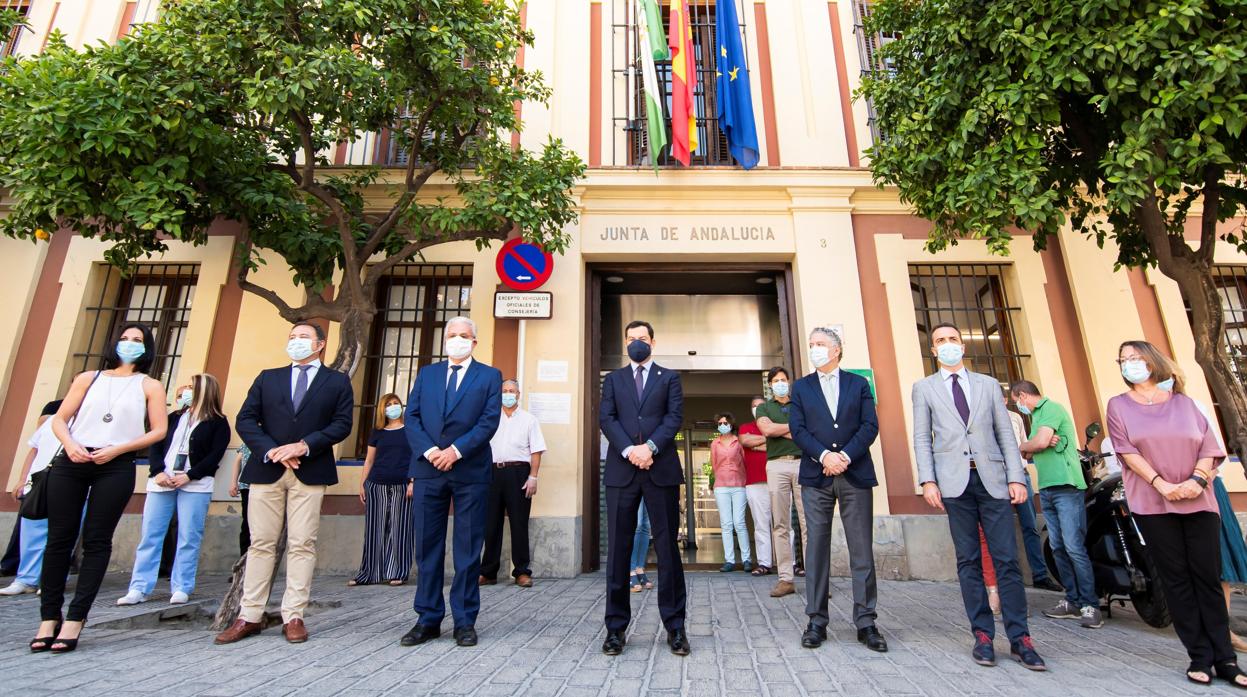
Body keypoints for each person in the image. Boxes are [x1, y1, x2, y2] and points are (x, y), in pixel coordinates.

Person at [1106, 340, 1246, 688]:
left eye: (1135, 358)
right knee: (1176, 580)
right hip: (1153, 503)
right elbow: (1125, 451)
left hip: (1198, 499)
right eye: (1123, 360)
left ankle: (1226, 659)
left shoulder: (1184, 404)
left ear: (1152, 362)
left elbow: (1209, 448)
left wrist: (1197, 481)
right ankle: (1198, 655)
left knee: (1208, 577)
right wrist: (1161, 485)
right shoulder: (1118, 406)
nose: (1129, 365)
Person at [911, 322, 1045, 670]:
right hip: (954, 484)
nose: (948, 344)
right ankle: (982, 635)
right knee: (968, 561)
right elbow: (923, 438)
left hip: (993, 480)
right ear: (934, 350)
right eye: (940, 341)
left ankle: (1021, 638)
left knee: (1007, 560)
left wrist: (1017, 477)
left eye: (953, 339)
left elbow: (1004, 433)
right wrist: (927, 480)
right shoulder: (924, 389)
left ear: (962, 346)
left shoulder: (987, 385)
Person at [215, 322, 354, 646]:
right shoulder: (268, 377)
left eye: (303, 337)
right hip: (266, 470)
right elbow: (246, 419)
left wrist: (304, 445)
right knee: (260, 542)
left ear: (320, 345)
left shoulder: (336, 381)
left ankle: (294, 615)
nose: (296, 342)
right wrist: (272, 451)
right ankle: (249, 615)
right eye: (292, 337)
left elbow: (342, 424)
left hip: (310, 469)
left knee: (302, 543)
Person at [33, 323, 169, 653]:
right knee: (59, 538)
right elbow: (59, 419)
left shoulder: (149, 385)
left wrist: (120, 449)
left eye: (137, 340)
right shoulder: (88, 378)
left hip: (115, 464)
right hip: (73, 461)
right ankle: (48, 618)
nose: (129, 344)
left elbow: (158, 431)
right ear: (114, 343)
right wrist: (71, 445)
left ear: (147, 348)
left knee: (97, 540)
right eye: (125, 339)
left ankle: (75, 620)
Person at [399, 317, 502, 649]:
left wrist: (455, 451)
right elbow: (411, 417)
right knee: (427, 548)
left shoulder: (489, 376)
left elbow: (488, 422)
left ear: (474, 341)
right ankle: (427, 618)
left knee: (468, 550)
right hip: (429, 470)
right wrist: (431, 451)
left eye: (464, 336)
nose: (457, 340)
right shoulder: (427, 374)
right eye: (452, 335)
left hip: (469, 471)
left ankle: (464, 620)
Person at [788, 327, 887, 653]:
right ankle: (816, 620)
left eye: (820, 344)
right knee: (815, 549)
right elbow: (797, 429)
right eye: (811, 344)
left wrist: (843, 456)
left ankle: (866, 621)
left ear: (837, 350)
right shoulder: (801, 387)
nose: (814, 349)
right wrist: (824, 455)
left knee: (861, 550)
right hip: (816, 477)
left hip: (854, 474)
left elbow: (869, 425)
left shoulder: (858, 385)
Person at [600, 320, 688, 657]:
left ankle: (675, 627)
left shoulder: (670, 377)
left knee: (667, 550)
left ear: (653, 341)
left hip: (660, 470)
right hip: (623, 471)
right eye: (632, 338)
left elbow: (674, 417)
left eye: (643, 338)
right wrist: (629, 451)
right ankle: (615, 629)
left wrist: (649, 448)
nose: (637, 342)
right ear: (625, 343)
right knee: (619, 553)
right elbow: (607, 418)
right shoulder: (614, 379)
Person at [118, 374, 230, 606]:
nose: (187, 392)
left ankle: (182, 586)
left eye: (192, 387)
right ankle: (139, 587)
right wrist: (158, 471)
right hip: (162, 482)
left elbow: (214, 456)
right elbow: (155, 446)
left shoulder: (218, 422)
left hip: (195, 485)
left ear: (204, 391)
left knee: (189, 535)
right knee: (151, 535)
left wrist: (190, 475)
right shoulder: (172, 417)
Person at [1010, 381, 1099, 628]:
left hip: (1067, 487)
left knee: (1073, 547)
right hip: (1047, 489)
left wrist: (1030, 444)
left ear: (1023, 395)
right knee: (1058, 547)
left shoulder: (1052, 409)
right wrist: (1033, 445)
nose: (1018, 405)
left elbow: (1033, 446)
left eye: (1017, 400)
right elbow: (1030, 452)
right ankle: (1072, 600)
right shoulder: (1037, 417)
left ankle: (1090, 604)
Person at [479, 379, 547, 588]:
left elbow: (535, 451)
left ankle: (522, 572)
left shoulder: (529, 420)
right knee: (491, 525)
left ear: (518, 394)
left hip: (518, 473)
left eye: (512, 391)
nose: (508, 394)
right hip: (491, 473)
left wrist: (533, 477)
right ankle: (488, 572)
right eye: (504, 391)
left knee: (519, 523)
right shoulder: (489, 418)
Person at [350, 392, 414, 587]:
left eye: (396, 403)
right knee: (374, 530)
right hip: (376, 484)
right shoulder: (377, 432)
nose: (393, 407)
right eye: (389, 404)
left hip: (402, 485)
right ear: (382, 409)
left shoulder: (410, 430)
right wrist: (363, 483)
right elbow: (369, 460)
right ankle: (368, 573)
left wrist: (413, 481)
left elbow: (416, 457)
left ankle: (398, 572)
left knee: (400, 529)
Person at [1, 401, 64, 596]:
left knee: (62, 534)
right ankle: (26, 579)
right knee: (31, 531)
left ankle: (50, 580)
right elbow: (34, 450)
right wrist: (22, 479)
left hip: (70, 483)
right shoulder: (52, 420)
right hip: (38, 481)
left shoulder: (90, 421)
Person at [1003, 391, 1063, 593]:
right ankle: (1010, 579)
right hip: (997, 476)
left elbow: (1024, 446)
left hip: (1021, 474)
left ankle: (1040, 575)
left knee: (1030, 526)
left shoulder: (1016, 418)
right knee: (1002, 529)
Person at [756, 367, 808, 598]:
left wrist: (781, 430)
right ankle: (786, 579)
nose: (780, 383)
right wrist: (796, 428)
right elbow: (767, 429)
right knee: (780, 524)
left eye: (783, 380)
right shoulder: (764, 408)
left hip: (804, 463)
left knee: (810, 523)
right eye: (775, 380)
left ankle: (817, 579)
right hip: (777, 465)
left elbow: (811, 430)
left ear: (789, 382)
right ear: (770, 385)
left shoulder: (801, 404)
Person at [710, 412, 751, 573]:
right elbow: (714, 465)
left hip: (739, 484)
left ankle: (747, 559)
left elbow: (745, 462)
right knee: (726, 524)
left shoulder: (738, 442)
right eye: (720, 423)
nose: (722, 425)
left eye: (725, 423)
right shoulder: (715, 444)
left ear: (731, 424)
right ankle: (729, 561)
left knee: (739, 523)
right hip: (721, 486)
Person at [739, 396, 771, 576]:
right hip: (754, 483)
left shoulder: (777, 423)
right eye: (754, 406)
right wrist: (769, 439)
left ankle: (789, 564)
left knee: (783, 525)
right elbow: (745, 441)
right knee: (761, 525)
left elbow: (788, 442)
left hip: (777, 481)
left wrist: (756, 443)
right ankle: (764, 563)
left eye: (760, 406)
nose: (757, 408)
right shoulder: (745, 427)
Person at [228, 444, 251, 556]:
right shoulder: (251, 435)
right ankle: (242, 567)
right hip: (247, 487)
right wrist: (233, 482)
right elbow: (238, 459)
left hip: (266, 487)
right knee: (246, 525)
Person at [629, 502, 653, 592]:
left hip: (649, 489)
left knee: (646, 526)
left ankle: (639, 568)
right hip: (635, 488)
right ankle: (631, 571)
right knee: (637, 525)